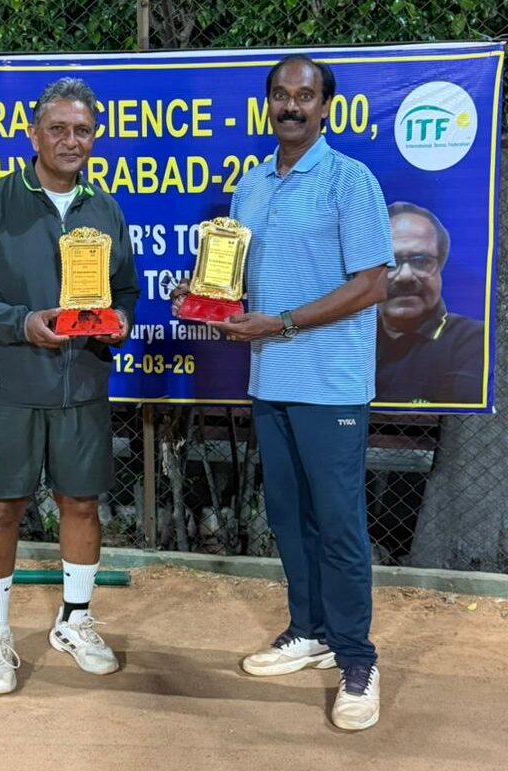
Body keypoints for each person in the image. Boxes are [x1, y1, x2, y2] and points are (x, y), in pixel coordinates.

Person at [173, 55, 393, 730]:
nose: (291, 105)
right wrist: (204, 298)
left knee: (340, 524)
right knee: (290, 516)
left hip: (331, 383)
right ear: (267, 103)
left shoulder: (350, 180)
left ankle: (357, 660)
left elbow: (372, 284)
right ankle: (310, 630)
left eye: (304, 95)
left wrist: (285, 323)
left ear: (325, 107)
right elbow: (247, 284)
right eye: (280, 94)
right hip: (270, 378)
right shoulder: (252, 186)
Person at [0, 77, 140, 695]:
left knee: (82, 504)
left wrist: (120, 321)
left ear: (95, 138)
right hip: (8, 385)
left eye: (83, 130)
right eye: (58, 129)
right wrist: (21, 323)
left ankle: (74, 622)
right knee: (2, 508)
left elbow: (125, 290)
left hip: (82, 387)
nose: (71, 141)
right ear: (33, 136)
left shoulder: (105, 209)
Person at [377, 202, 485, 404]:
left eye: (421, 261)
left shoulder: (474, 340)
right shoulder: (354, 339)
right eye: (390, 262)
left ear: (441, 266)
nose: (405, 276)